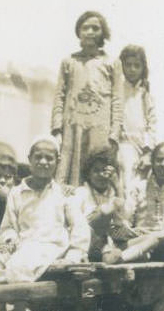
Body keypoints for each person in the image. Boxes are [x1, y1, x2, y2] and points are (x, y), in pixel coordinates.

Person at [0, 135, 90, 311]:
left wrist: (74, 255)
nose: (43, 162)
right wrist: (10, 240)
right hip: (23, 245)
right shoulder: (16, 193)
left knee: (19, 265)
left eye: (49, 158)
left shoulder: (65, 194)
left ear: (57, 162)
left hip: (50, 246)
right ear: (29, 159)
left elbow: (80, 227)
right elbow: (9, 226)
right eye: (38, 157)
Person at [52, 10, 123, 186]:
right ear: (78, 31)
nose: (90, 32)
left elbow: (117, 100)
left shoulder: (112, 63)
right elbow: (59, 96)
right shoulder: (69, 61)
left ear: (103, 33)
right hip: (73, 127)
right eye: (85, 28)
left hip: (100, 128)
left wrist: (114, 133)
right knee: (69, 175)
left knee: (98, 173)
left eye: (95, 28)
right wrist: (57, 129)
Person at [118, 142, 164, 263]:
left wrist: (161, 235)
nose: (163, 164)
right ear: (152, 162)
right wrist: (136, 234)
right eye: (159, 160)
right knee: (144, 242)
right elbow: (126, 219)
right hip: (141, 239)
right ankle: (133, 254)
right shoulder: (138, 187)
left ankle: (133, 255)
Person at [71, 150, 134, 263]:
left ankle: (116, 257)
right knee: (105, 212)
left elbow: (125, 218)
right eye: (96, 171)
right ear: (88, 174)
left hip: (114, 242)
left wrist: (118, 187)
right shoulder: (81, 192)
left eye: (105, 171)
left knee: (150, 240)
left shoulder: (114, 194)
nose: (101, 175)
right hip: (89, 242)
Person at [117, 44, 157, 190]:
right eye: (128, 65)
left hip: (142, 147)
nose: (132, 69)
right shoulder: (117, 90)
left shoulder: (145, 94)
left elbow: (151, 124)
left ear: (143, 68)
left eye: (137, 65)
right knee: (125, 182)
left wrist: (148, 152)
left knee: (141, 186)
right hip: (123, 143)